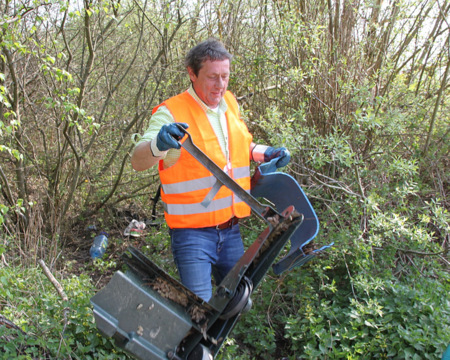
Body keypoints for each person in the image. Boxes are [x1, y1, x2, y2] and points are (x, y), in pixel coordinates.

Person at [131, 38, 290, 302]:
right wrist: (159, 144)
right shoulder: (171, 112)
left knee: (240, 302)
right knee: (200, 310)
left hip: (230, 230)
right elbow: (138, 160)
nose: (220, 85)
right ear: (192, 74)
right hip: (192, 234)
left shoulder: (229, 102)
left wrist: (267, 152)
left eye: (225, 76)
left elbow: (241, 147)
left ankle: (216, 342)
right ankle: (198, 344)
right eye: (213, 77)